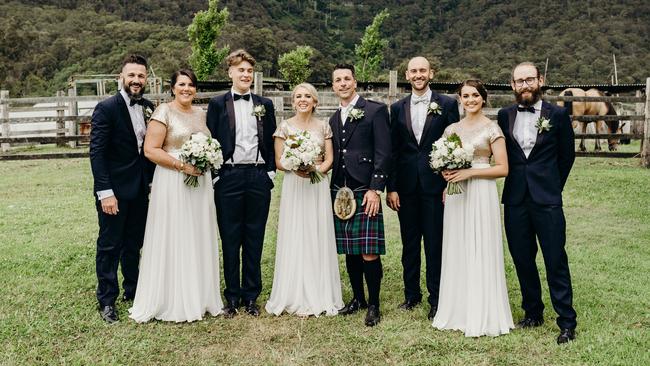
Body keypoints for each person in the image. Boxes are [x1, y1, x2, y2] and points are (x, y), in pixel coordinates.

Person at [128, 69, 223, 322]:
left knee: (196, 233)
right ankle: (172, 297)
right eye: (182, 84)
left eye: (191, 85)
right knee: (175, 233)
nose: (187, 89)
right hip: (173, 181)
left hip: (199, 183)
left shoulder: (201, 114)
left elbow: (209, 144)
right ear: (172, 88)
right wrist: (183, 166)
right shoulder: (163, 112)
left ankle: (199, 295)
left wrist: (206, 160)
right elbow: (150, 150)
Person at [498, 62, 577, 344]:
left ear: (540, 80)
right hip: (515, 199)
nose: (525, 85)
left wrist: (553, 187)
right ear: (512, 85)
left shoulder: (557, 114)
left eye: (529, 79)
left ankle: (566, 321)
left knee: (555, 259)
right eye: (519, 81)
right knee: (522, 259)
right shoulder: (504, 114)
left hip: (547, 200)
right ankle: (533, 312)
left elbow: (567, 157)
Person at [431, 79, 514, 336]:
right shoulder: (451, 129)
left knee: (480, 243)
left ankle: (482, 310)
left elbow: (502, 168)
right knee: (458, 244)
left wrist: (470, 174)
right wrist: (447, 176)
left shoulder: (493, 129)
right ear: (460, 99)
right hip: (456, 193)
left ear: (484, 98)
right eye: (465, 96)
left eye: (475, 95)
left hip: (481, 190)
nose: (470, 100)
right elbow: (445, 161)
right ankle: (457, 308)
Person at [386, 56, 460, 320]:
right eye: (414, 71)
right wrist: (391, 187)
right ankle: (411, 295)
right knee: (409, 243)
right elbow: (392, 150)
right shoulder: (396, 108)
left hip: (434, 185)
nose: (418, 74)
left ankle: (436, 298)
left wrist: (447, 182)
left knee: (434, 243)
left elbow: (454, 144)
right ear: (408, 74)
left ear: (431, 74)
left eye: (423, 70)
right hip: (405, 186)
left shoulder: (448, 104)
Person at [206, 49, 276, 318]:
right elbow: (211, 137)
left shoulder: (264, 104)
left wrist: (270, 172)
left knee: (255, 237)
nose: (245, 74)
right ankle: (232, 297)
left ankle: (251, 297)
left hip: (258, 176)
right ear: (230, 73)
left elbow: (271, 138)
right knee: (230, 237)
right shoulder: (217, 103)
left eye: (249, 70)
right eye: (240, 70)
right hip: (229, 176)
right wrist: (216, 174)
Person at [265, 83, 343, 317]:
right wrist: (295, 165)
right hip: (294, 184)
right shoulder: (284, 126)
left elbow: (330, 157)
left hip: (317, 183)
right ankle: (292, 291)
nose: (302, 99)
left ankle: (320, 291)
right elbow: (278, 160)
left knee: (316, 232)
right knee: (295, 232)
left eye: (308, 96)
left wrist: (316, 169)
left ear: (315, 101)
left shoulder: (324, 126)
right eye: (298, 96)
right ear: (292, 101)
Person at [89, 54, 155, 323]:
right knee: (110, 245)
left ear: (146, 79)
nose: (136, 80)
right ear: (121, 77)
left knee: (134, 243)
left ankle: (133, 289)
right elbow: (97, 153)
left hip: (141, 191)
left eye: (141, 76)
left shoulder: (150, 107)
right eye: (132, 75)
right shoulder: (106, 108)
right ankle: (106, 299)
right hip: (114, 192)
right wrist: (105, 192)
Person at [329, 64, 391, 327]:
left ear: (355, 82)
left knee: (368, 250)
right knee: (350, 250)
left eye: (347, 79)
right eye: (337, 80)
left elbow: (384, 152)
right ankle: (357, 299)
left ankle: (374, 304)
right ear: (333, 86)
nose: (342, 83)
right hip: (341, 191)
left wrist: (376, 189)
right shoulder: (332, 118)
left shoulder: (375, 110)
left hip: (365, 189)